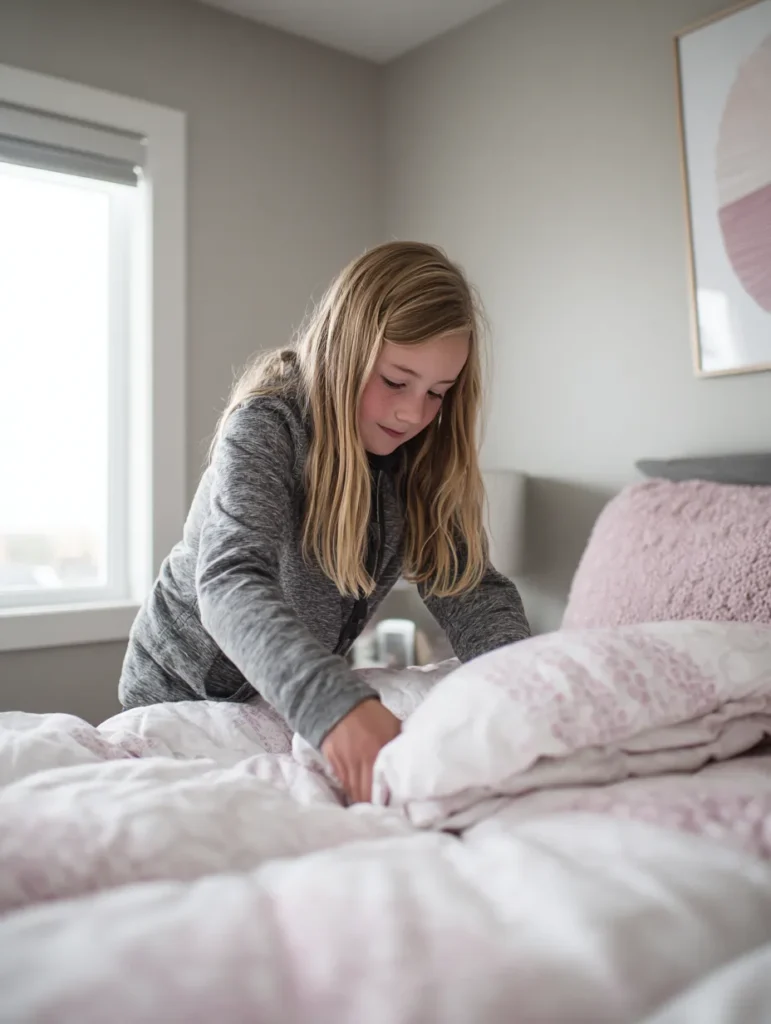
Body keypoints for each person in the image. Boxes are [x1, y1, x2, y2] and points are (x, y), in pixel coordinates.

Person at [119, 241, 530, 803]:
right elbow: (229, 583)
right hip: (183, 694)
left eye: (437, 392)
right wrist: (334, 705)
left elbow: (471, 590)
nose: (413, 413)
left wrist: (526, 686)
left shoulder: (419, 455)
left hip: (277, 705)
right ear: (345, 348)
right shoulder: (269, 423)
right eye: (395, 380)